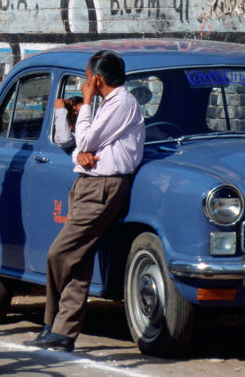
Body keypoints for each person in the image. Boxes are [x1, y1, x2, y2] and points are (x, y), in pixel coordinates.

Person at [31, 50, 145, 352]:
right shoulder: (110, 105)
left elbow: (86, 140)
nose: (85, 84)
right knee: (79, 259)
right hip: (88, 183)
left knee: (59, 253)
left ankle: (50, 320)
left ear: (96, 79)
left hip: (104, 187)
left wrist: (87, 104)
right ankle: (63, 332)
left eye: (86, 78)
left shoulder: (122, 103)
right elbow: (82, 146)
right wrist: (80, 153)